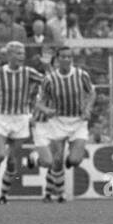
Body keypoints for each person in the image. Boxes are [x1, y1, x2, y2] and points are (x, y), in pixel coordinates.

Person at [0, 41, 45, 205]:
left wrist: (42, 97)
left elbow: (48, 82)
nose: (22, 56)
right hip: (2, 118)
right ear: (9, 55)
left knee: (11, 159)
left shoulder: (28, 72)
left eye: (23, 53)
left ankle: (3, 195)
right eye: (19, 53)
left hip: (21, 119)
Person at [33, 46, 94, 203]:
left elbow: (91, 93)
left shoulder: (81, 75)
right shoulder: (49, 79)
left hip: (78, 122)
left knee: (74, 161)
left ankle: (57, 184)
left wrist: (87, 108)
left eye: (69, 57)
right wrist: (46, 110)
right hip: (57, 122)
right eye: (63, 57)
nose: (66, 59)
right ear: (58, 59)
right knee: (56, 160)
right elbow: (39, 102)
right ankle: (58, 193)